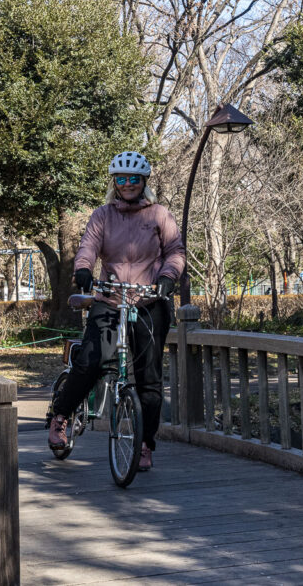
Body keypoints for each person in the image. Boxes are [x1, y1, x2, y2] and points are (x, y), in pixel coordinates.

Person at [48, 151, 185, 471]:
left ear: (143, 182)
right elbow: (88, 247)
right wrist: (82, 269)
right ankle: (61, 416)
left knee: (150, 382)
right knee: (90, 362)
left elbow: (176, 251)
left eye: (133, 179)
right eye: (121, 179)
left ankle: (146, 445)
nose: (127, 185)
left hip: (149, 302)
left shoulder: (159, 215)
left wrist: (167, 277)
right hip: (110, 300)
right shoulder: (102, 215)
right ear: (114, 183)